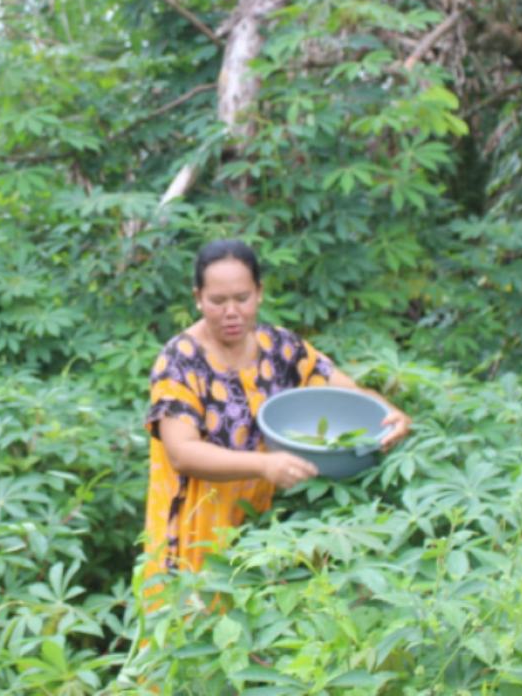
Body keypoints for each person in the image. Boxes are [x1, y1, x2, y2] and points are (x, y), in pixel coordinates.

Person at [142, 239, 411, 603]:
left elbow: (351, 393)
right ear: (198, 298)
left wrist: (389, 413)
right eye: (218, 301)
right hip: (195, 529)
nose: (231, 312)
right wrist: (264, 464)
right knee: (188, 634)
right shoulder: (180, 360)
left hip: (265, 529)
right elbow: (181, 453)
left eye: (242, 298)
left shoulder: (281, 348)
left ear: (260, 293)